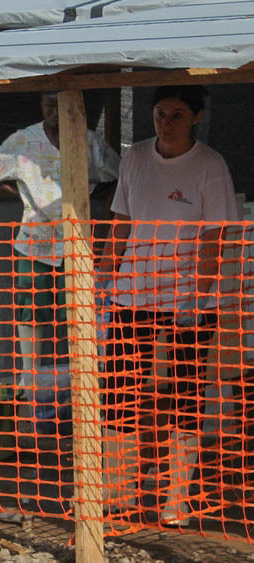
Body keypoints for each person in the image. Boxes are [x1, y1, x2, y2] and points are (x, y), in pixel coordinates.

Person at [97, 84, 238, 527]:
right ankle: (118, 492)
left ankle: (175, 499)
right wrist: (103, 277)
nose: (166, 122)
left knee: (186, 393)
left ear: (196, 118)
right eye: (160, 113)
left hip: (188, 298)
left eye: (177, 114)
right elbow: (120, 222)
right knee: (120, 389)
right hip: (132, 293)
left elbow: (215, 239)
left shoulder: (211, 166)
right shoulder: (135, 156)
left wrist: (197, 296)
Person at [0, 92, 120, 426]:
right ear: (41, 107)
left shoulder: (89, 141)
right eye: (48, 105)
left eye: (62, 104)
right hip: (36, 243)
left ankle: (83, 390)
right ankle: (30, 388)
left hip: (78, 243)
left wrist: (99, 203)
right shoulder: (24, 140)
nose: (56, 111)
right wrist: (18, 193)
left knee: (81, 315)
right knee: (32, 316)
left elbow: (120, 175)